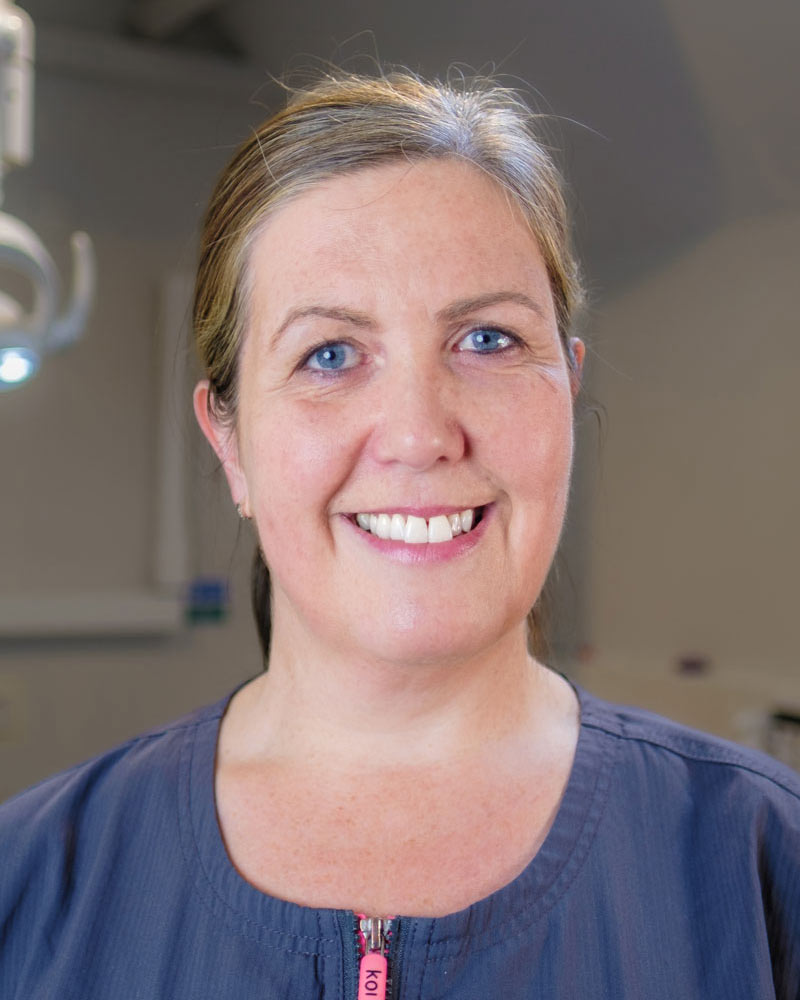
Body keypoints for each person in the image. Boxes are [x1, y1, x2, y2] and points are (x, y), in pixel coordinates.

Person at [1, 70, 798, 1000]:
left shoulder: (762, 867)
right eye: (329, 355)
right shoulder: (28, 893)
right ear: (231, 441)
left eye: (489, 341)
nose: (421, 435)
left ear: (569, 392)